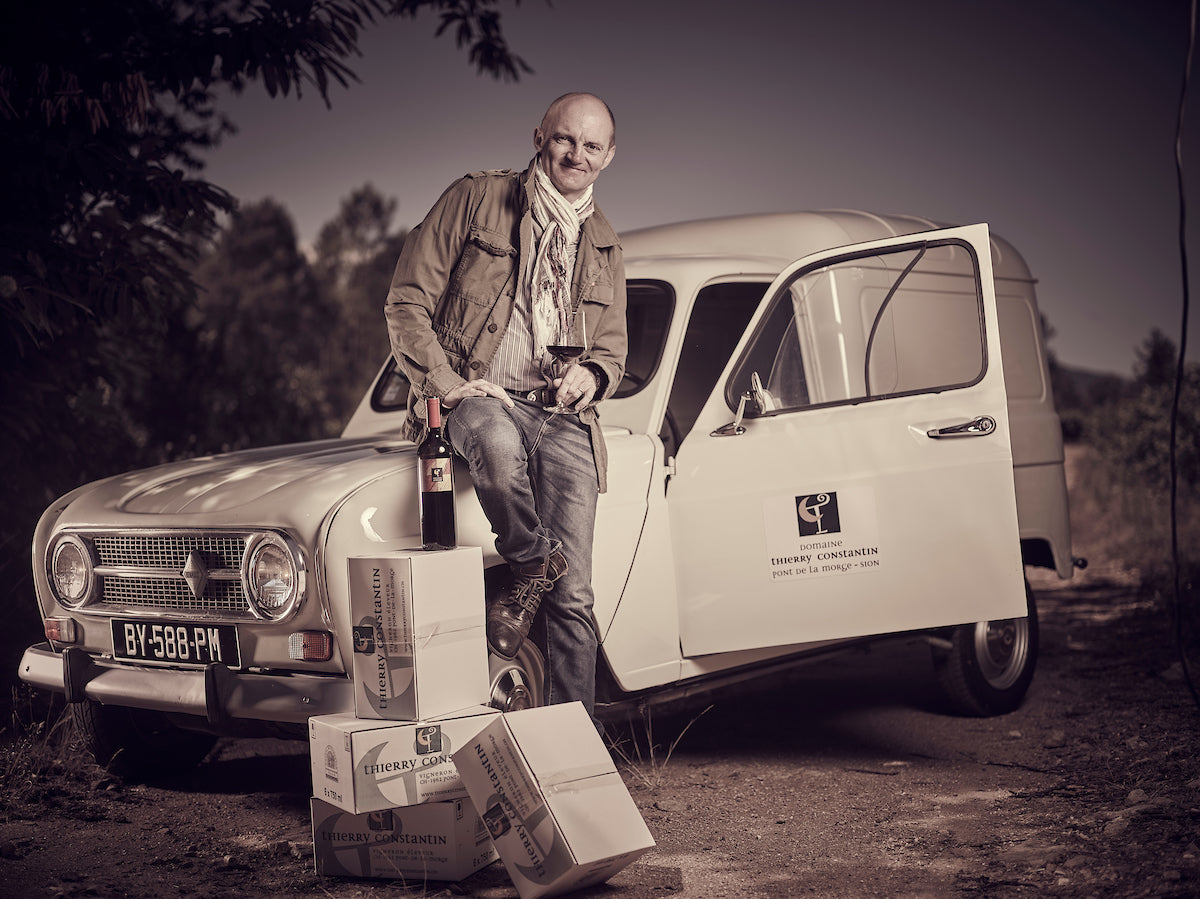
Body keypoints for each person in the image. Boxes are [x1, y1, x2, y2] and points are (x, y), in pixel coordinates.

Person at [384, 92, 627, 721]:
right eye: (565, 139)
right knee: (492, 443)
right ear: (540, 136)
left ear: (608, 157)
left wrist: (592, 377)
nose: (575, 154)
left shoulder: (603, 242)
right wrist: (443, 382)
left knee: (574, 597)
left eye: (591, 145)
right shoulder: (475, 198)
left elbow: (613, 349)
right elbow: (407, 300)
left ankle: (580, 750)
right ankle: (531, 563)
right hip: (479, 392)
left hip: (562, 414)